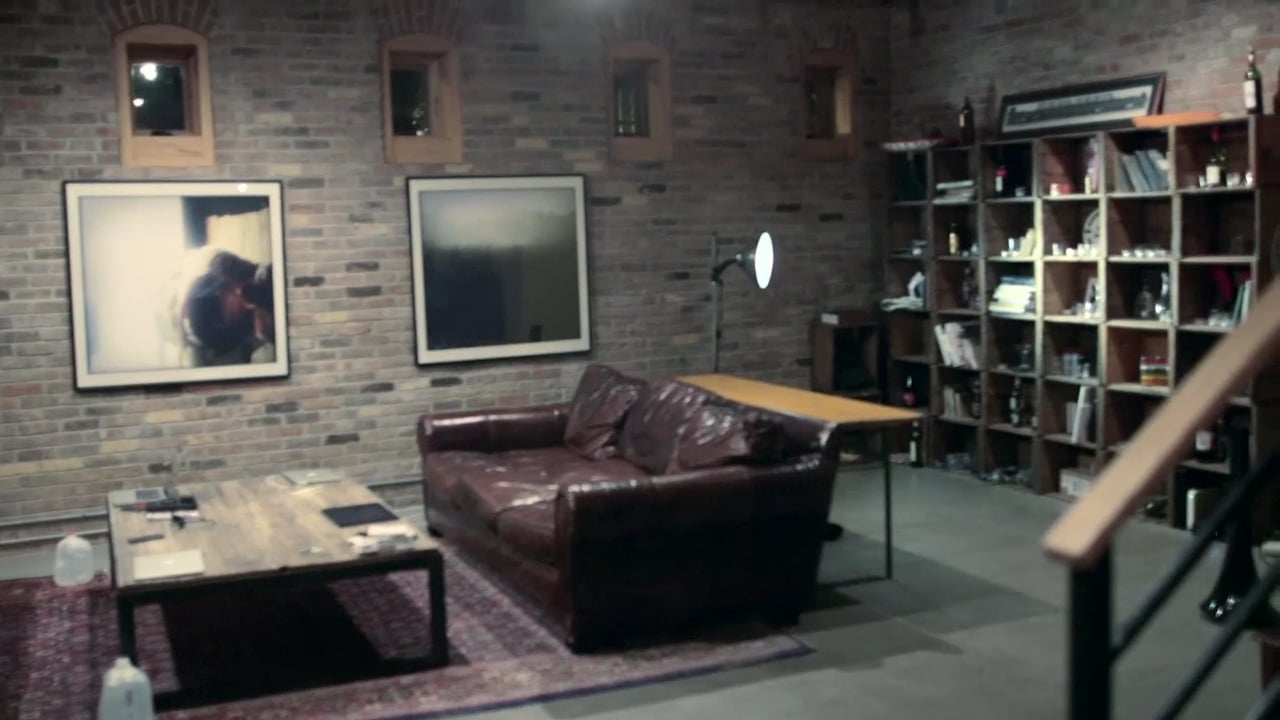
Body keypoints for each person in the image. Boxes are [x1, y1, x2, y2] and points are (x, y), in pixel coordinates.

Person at [163, 247, 276, 367]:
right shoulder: (209, 361)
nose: (251, 304)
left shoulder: (216, 260)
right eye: (246, 315)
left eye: (247, 292)